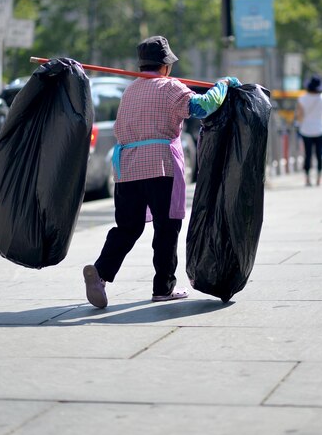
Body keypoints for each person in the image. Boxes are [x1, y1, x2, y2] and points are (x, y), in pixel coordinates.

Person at [83, 35, 241, 308]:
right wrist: (223, 86)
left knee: (127, 227)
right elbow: (203, 106)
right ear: (165, 65)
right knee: (166, 228)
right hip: (161, 166)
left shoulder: (130, 90)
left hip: (128, 168)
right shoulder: (170, 87)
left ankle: (101, 272)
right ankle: (163, 287)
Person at [296, 75, 322, 186]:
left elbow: (300, 116)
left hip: (306, 129)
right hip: (321, 128)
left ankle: (307, 179)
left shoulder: (302, 98)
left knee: (308, 154)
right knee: (319, 154)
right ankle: (319, 179)